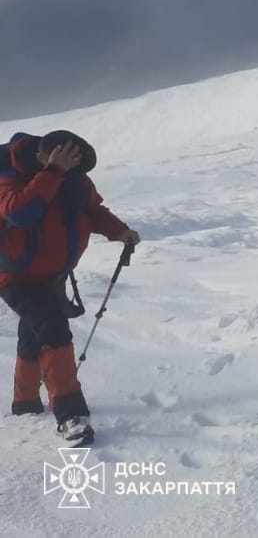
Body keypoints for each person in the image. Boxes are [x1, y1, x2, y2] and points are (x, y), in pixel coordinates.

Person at [0, 130, 141, 447]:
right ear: (42, 156)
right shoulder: (9, 173)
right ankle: (70, 414)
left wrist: (120, 231)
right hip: (14, 275)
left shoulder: (74, 176)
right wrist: (53, 173)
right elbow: (18, 212)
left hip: (53, 275)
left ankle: (24, 403)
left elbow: (91, 210)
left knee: (34, 332)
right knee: (52, 326)